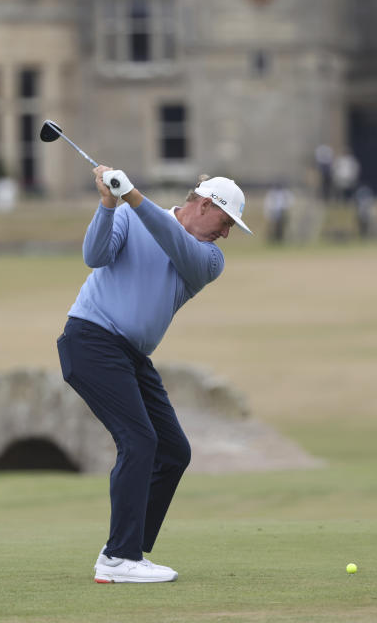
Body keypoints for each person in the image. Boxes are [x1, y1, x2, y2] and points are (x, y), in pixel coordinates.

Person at [56, 165, 252, 584]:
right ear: (204, 205)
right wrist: (110, 204)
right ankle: (118, 558)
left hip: (131, 356)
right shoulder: (128, 213)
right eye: (226, 221)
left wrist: (133, 196)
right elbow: (95, 256)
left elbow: (171, 240)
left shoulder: (209, 259)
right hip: (91, 341)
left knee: (173, 451)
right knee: (139, 440)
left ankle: (127, 549)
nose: (227, 233)